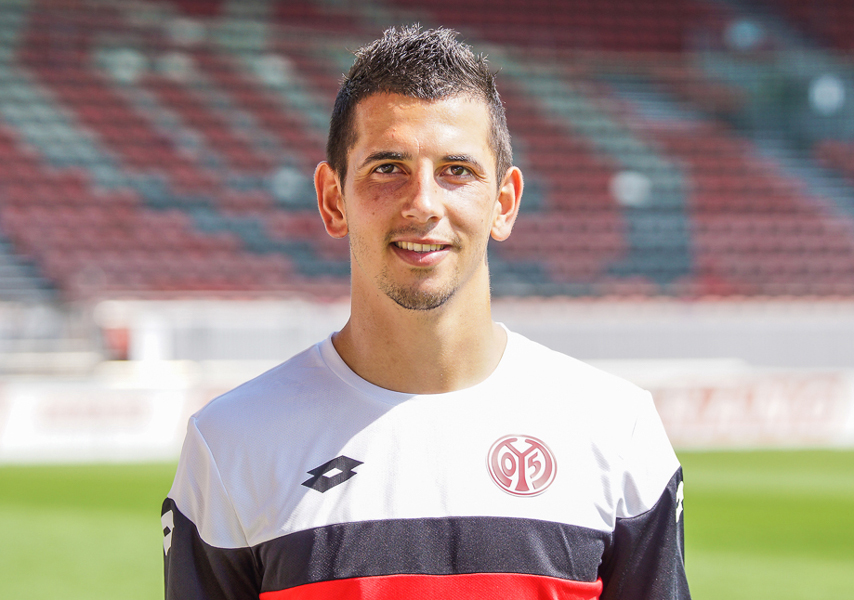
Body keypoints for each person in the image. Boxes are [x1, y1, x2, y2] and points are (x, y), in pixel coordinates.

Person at [162, 25, 690, 600]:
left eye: (457, 171)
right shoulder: (233, 443)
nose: (423, 204)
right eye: (388, 168)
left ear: (504, 203)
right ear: (333, 200)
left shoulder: (616, 430)